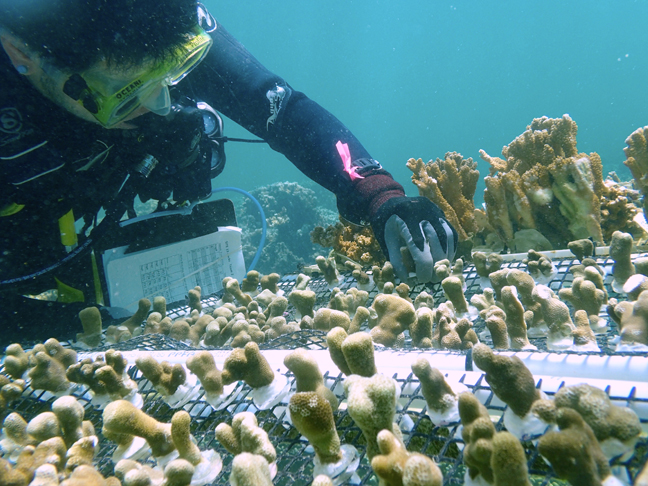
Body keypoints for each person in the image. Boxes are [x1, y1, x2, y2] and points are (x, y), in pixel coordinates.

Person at [0, 0, 457, 345]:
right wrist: (47, 326)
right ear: (21, 54)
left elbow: (278, 106)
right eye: (126, 94)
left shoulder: (162, 20)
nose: (160, 105)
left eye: (173, 73)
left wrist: (379, 193)